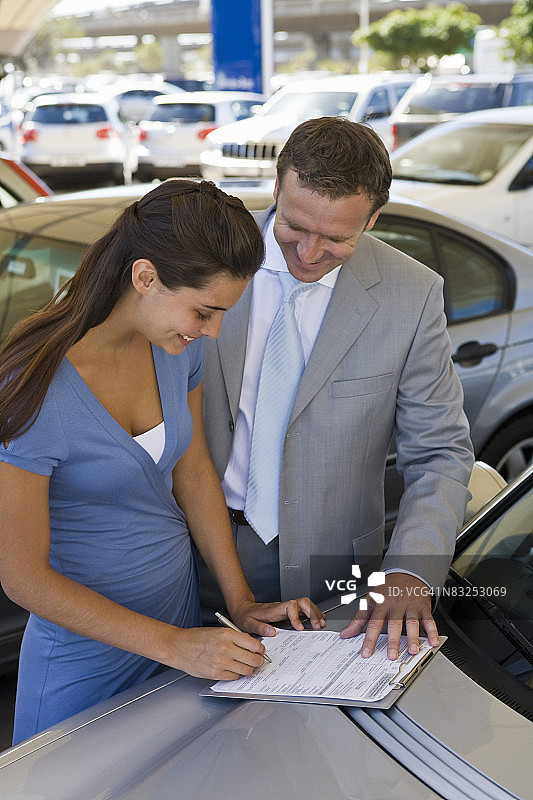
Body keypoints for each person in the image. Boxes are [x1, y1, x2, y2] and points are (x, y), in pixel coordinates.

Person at [0, 179, 324, 745]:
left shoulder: (177, 347)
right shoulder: (31, 385)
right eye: (204, 311)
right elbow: (23, 578)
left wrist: (240, 602)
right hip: (84, 661)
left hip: (175, 634)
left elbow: (193, 470)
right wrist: (174, 645)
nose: (212, 331)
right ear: (145, 277)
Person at [200, 117, 474, 661]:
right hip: (193, 558)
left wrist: (410, 572)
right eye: (294, 226)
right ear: (276, 188)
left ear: (373, 218)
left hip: (337, 583)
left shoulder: (413, 295)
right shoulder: (202, 259)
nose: (307, 252)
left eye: (336, 238)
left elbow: (440, 452)